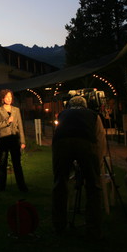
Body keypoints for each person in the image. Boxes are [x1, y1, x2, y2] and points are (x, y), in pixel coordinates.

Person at [51, 95, 107, 239]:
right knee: (93, 186)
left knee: (60, 184)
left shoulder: (63, 115)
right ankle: (94, 230)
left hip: (62, 145)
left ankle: (59, 226)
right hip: (86, 143)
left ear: (69, 106)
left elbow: (57, 135)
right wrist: (97, 163)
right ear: (85, 105)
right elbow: (100, 139)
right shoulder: (93, 115)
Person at [0, 89, 28, 192]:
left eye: (10, 97)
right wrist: (7, 122)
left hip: (14, 140)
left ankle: (22, 187)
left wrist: (22, 141)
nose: (9, 99)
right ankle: (1, 187)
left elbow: (20, 126)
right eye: (7, 97)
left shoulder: (16, 110)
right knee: (3, 164)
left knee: (17, 164)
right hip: (3, 140)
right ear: (3, 98)